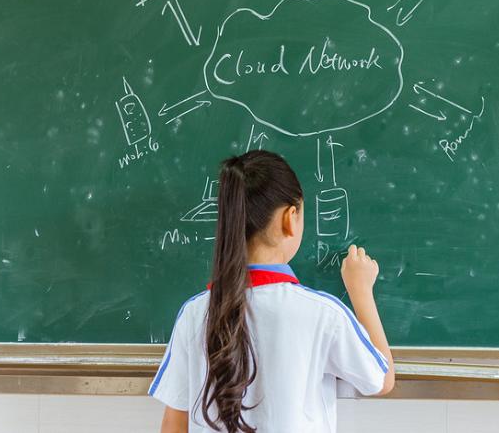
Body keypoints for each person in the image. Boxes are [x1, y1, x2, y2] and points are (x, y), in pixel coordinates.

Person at [148, 150, 395, 432]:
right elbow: (381, 380)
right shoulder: (323, 314)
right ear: (290, 218)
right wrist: (360, 290)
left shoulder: (194, 313)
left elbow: (174, 425)